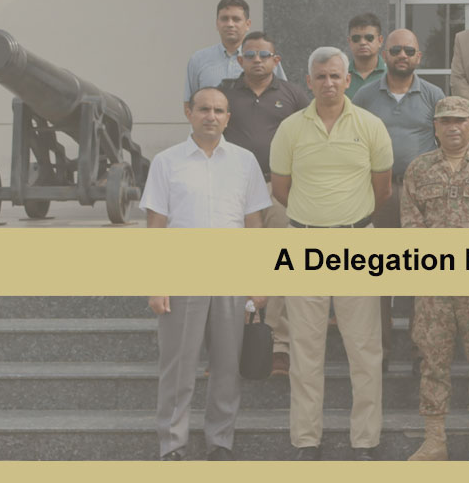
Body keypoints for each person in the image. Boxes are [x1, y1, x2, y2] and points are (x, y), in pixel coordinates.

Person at [268, 47, 393, 461]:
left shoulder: (371, 125)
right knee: (305, 351)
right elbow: (281, 189)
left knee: (365, 350)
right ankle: (307, 441)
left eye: (335, 76)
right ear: (309, 81)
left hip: (357, 244)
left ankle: (365, 442)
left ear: (347, 79)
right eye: (320, 76)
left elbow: (382, 189)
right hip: (304, 244)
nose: (328, 83)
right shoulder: (290, 129)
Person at [142, 87, 269, 461]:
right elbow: (156, 226)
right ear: (189, 112)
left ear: (228, 117)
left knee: (227, 368)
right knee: (178, 367)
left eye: (218, 110)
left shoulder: (244, 162)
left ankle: (221, 442)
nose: (211, 116)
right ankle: (172, 445)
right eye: (204, 109)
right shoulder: (166, 162)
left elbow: (254, 225)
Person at [400, 95, 469, 461]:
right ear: (435, 127)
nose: (453, 127)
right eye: (445, 121)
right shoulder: (419, 169)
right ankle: (435, 439)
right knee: (433, 361)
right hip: (433, 284)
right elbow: (411, 223)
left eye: (460, 120)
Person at [217, 30, 308, 376]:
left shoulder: (293, 95)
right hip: (235, 190)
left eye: (264, 55)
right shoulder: (225, 95)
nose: (257, 60)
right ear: (240, 60)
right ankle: (229, 346)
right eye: (251, 55)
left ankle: (278, 345)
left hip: (278, 188)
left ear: (276, 60)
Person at [352, 28, 445, 361]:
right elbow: (353, 140)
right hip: (378, 190)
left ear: (419, 56)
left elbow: (445, 141)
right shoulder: (365, 95)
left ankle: (422, 353)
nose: (402, 55)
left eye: (408, 50)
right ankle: (380, 352)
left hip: (422, 193)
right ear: (384, 55)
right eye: (395, 50)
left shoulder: (434, 94)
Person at [184, 0, 286, 99]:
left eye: (236, 19)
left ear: (248, 24)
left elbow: (283, 95)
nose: (230, 24)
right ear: (217, 23)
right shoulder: (198, 59)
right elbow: (190, 103)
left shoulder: (267, 58)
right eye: (224, 19)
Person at [344, 12, 387, 98]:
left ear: (380, 41)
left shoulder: (391, 74)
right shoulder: (341, 75)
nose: (362, 42)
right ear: (349, 41)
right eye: (356, 38)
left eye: (369, 38)